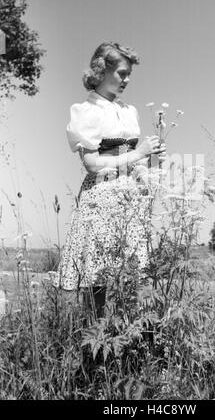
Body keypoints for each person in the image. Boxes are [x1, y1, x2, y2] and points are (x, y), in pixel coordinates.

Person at [49, 42, 165, 317]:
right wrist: (137, 153)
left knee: (133, 275)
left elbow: (137, 158)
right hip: (101, 198)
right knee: (97, 276)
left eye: (129, 74)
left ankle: (128, 344)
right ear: (102, 70)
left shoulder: (129, 111)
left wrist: (153, 158)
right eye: (122, 73)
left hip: (131, 197)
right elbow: (91, 164)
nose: (127, 80)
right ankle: (96, 344)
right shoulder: (86, 111)